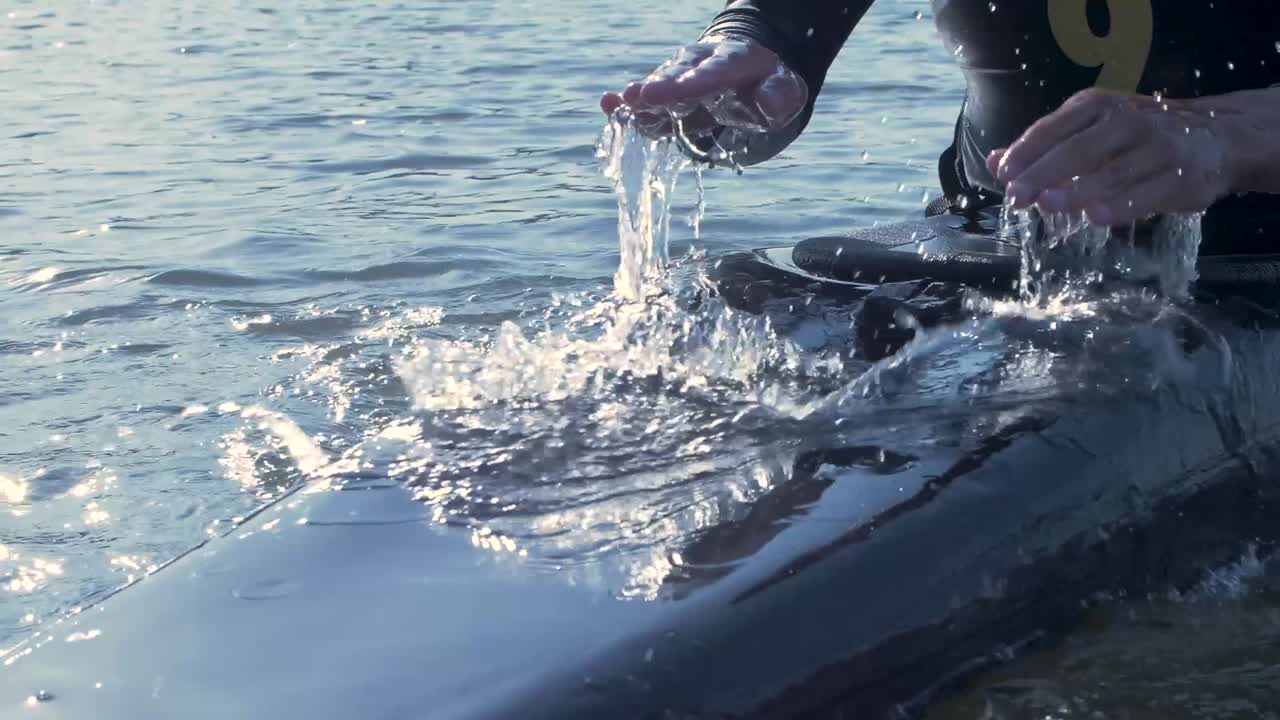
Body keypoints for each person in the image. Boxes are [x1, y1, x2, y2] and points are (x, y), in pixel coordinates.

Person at [600, 1, 1280, 254]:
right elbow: (783, 26)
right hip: (986, 241)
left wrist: (1221, 136)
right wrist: (741, 65)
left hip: (1252, 268)